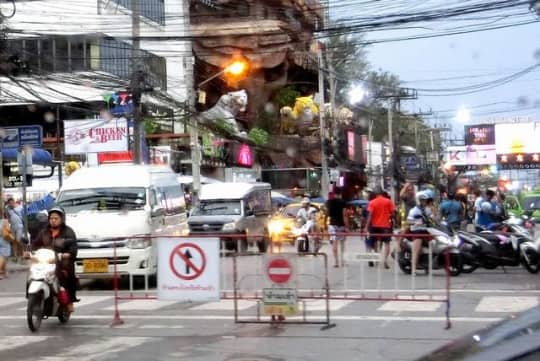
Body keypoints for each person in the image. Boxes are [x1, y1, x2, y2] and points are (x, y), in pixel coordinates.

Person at [30, 206, 78, 312]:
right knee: (31, 275)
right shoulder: (44, 232)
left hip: (61, 262)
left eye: (56, 218)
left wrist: (66, 255)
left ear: (62, 219)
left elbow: (73, 249)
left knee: (65, 276)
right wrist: (29, 252)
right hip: (45, 261)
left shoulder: (68, 232)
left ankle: (69, 300)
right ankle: (32, 297)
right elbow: (35, 244)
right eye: (51, 218)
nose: (53, 221)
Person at [364, 187, 396, 269]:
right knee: (387, 243)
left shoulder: (372, 202)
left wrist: (366, 227)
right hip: (386, 226)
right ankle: (385, 261)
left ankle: (376, 259)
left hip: (374, 226)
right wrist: (391, 218)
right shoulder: (388, 201)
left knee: (375, 242)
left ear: (375, 194)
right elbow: (393, 214)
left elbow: (370, 215)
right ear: (382, 193)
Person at [407, 190, 435, 274]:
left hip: (427, 230)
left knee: (433, 245)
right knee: (417, 250)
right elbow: (409, 221)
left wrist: (435, 218)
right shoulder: (414, 210)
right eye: (422, 200)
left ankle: (427, 266)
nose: (424, 202)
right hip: (417, 231)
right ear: (418, 200)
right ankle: (413, 269)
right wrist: (417, 222)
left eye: (425, 200)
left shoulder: (427, 209)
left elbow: (432, 218)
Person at [325, 189, 349, 268]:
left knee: (334, 243)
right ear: (340, 194)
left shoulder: (329, 202)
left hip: (332, 224)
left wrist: (325, 223)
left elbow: (327, 213)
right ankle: (342, 261)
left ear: (334, 193)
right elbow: (344, 215)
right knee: (342, 243)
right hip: (341, 225)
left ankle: (336, 262)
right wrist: (347, 226)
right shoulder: (343, 202)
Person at [0, 210, 12, 279]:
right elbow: (9, 230)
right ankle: (1, 272)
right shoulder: (5, 221)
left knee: (2, 257)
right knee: (3, 257)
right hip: (4, 240)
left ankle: (5, 271)